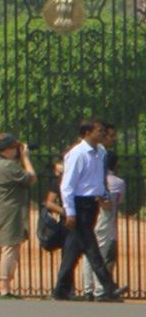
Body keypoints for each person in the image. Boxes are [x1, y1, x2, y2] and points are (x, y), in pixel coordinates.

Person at [52, 118, 127, 302]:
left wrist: (104, 195)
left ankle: (61, 289)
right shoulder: (77, 154)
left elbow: (97, 179)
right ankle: (108, 287)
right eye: (99, 131)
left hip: (92, 203)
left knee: (73, 249)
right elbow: (67, 185)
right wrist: (69, 211)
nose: (103, 134)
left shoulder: (101, 152)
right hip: (79, 203)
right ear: (87, 133)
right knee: (91, 248)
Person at [0, 132, 36, 299]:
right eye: (14, 147)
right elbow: (31, 178)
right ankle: (5, 287)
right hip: (10, 211)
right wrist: (26, 158)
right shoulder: (9, 166)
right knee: (9, 247)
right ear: (6, 149)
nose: (17, 150)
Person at [79, 149, 125, 300]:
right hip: (105, 221)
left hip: (89, 217)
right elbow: (116, 202)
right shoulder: (118, 182)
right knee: (101, 254)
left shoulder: (91, 179)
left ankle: (87, 289)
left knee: (89, 253)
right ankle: (100, 289)